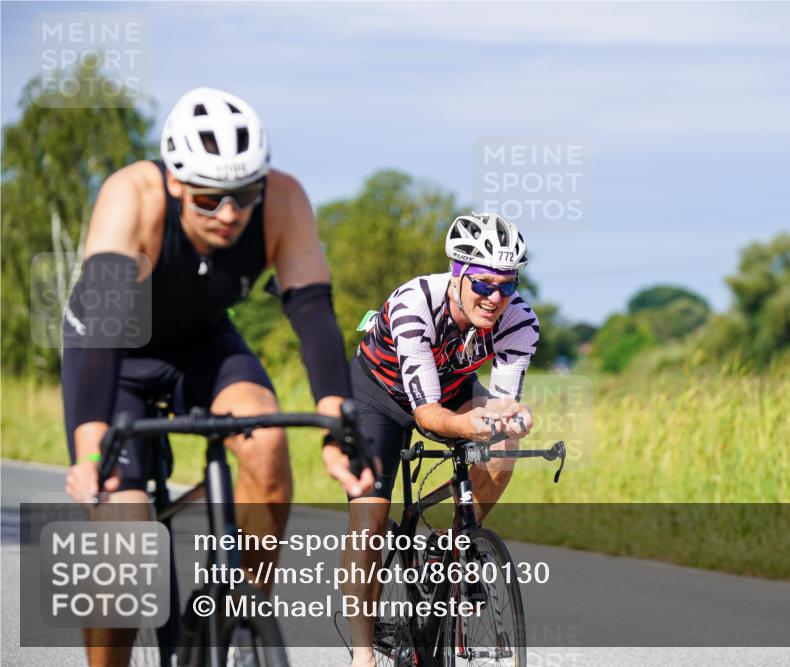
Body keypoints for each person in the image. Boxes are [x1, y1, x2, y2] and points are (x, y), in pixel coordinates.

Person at [60, 87, 373, 666]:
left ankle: (230, 625)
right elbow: (100, 334)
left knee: (268, 447)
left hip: (203, 342)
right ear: (176, 182)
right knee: (124, 550)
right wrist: (89, 449)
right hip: (116, 355)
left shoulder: (282, 199)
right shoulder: (132, 196)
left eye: (241, 195)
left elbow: (311, 311)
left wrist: (337, 425)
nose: (228, 214)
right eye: (207, 199)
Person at [343, 212, 539, 667]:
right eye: (485, 284)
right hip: (379, 393)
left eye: (507, 286)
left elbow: (501, 406)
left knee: (503, 444)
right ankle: (361, 652)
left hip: (451, 388)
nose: (495, 298)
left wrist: (510, 418)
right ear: (457, 275)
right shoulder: (414, 303)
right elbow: (428, 415)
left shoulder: (519, 322)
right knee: (370, 515)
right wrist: (473, 426)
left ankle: (453, 549)